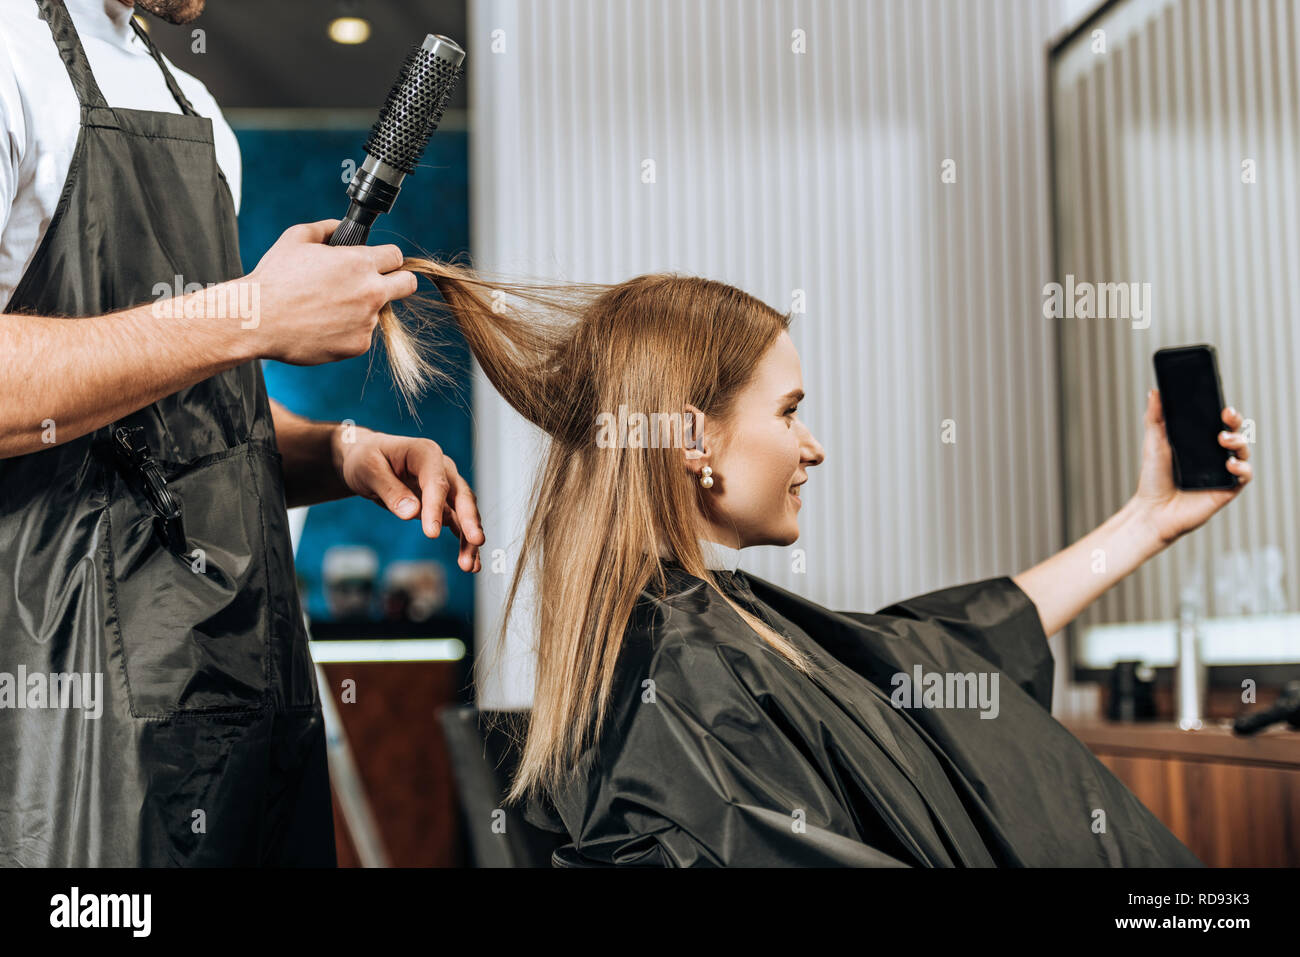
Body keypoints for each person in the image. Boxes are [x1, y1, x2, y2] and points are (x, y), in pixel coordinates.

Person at [391, 257, 1253, 866]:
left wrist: (1149, 521)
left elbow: (927, 649)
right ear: (695, 437)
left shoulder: (685, 635)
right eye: (790, 410)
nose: (814, 446)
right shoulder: (688, 670)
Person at [0, 0, 483, 866]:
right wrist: (253, 307)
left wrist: (335, 451)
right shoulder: (9, 64)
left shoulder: (198, 114)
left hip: (248, 693)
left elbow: (191, 411)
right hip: (71, 716)